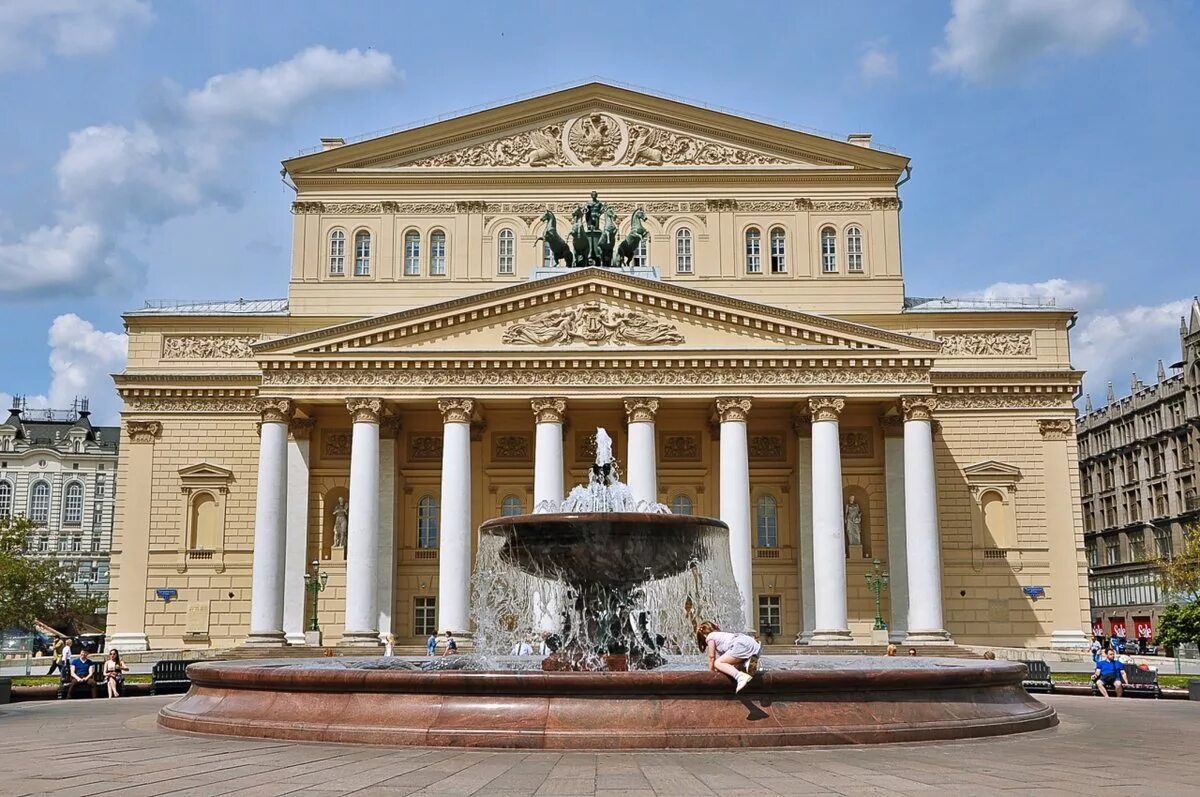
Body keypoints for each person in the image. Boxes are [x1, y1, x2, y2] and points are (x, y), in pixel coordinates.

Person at [695, 621, 760, 694]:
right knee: (734, 665)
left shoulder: (710, 637)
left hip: (739, 645)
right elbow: (726, 660)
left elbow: (711, 657)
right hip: (751, 643)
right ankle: (746, 663)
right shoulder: (722, 636)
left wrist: (711, 673)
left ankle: (740, 677)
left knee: (717, 663)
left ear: (703, 635)